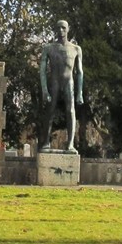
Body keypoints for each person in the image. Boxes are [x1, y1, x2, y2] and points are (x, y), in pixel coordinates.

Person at [39, 19, 84, 152]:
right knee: (50, 111)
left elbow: (80, 72)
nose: (61, 31)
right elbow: (42, 70)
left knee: (70, 111)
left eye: (63, 28)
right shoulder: (48, 48)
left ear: (68, 29)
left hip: (68, 82)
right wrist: (44, 90)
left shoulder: (76, 49)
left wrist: (79, 92)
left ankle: (70, 143)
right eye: (58, 28)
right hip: (54, 82)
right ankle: (46, 142)